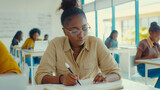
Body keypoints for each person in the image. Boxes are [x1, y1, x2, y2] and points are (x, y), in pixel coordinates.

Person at [35, 0, 121, 86]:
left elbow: (116, 72)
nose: (81, 35)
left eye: (85, 28)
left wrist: (106, 77)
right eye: (75, 31)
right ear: (65, 31)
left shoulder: (96, 43)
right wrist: (61, 79)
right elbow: (40, 76)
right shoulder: (55, 44)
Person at [135, 22, 160, 88]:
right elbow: (136, 61)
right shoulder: (143, 43)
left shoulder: (156, 44)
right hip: (143, 69)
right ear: (150, 33)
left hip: (153, 67)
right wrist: (150, 57)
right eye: (156, 36)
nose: (158, 38)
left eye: (159, 36)